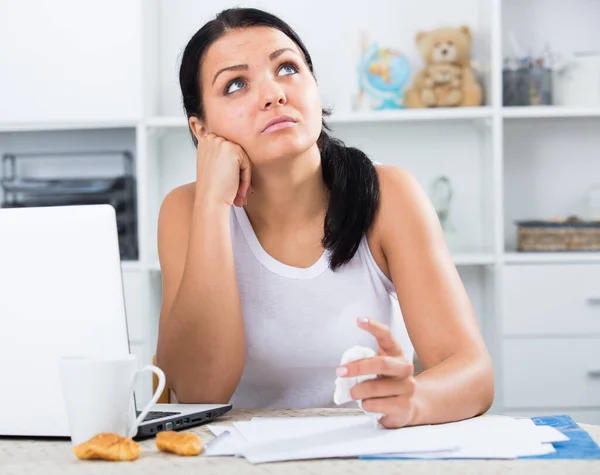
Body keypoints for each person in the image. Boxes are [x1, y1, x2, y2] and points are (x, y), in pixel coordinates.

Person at [156, 7, 494, 429]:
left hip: (367, 451)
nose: (274, 93)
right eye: (236, 83)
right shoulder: (185, 211)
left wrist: (416, 400)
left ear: (314, 88)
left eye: (287, 68)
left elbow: (473, 372)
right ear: (201, 130)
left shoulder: (389, 195)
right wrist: (212, 203)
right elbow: (194, 393)